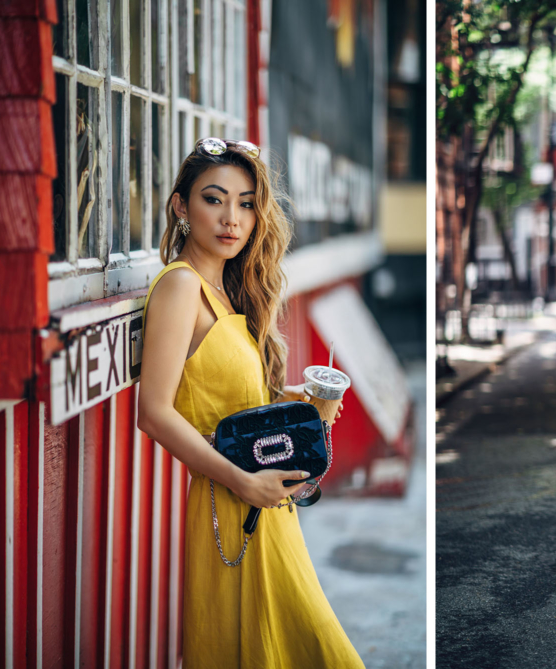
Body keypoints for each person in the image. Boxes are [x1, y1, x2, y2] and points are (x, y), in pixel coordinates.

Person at [137, 137, 365, 667]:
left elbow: (230, 401)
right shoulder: (180, 288)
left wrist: (297, 402)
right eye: (213, 199)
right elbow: (154, 412)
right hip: (231, 497)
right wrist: (242, 482)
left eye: (245, 203)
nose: (231, 218)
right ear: (180, 207)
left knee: (289, 646)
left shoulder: (230, 293)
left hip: (266, 499)